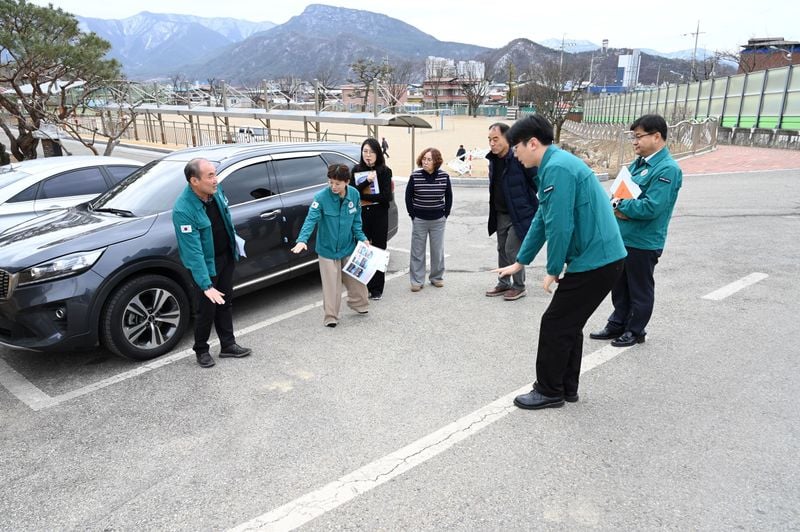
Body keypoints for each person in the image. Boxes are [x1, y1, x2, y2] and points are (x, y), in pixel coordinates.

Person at [495, 115, 626, 410]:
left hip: (596, 261)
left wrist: (553, 270)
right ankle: (566, 387)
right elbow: (543, 218)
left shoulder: (557, 168)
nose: (514, 153)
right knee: (568, 323)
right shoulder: (554, 165)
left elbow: (560, 226)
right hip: (600, 259)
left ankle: (549, 390)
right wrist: (520, 261)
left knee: (555, 322)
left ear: (532, 143)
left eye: (516, 146)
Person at [590, 114, 683, 347]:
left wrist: (621, 206)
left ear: (657, 136)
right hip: (622, 237)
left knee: (639, 288)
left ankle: (636, 329)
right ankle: (618, 322)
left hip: (643, 241)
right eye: (633, 137)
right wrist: (619, 204)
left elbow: (652, 207)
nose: (634, 142)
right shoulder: (636, 165)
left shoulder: (667, 169)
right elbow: (617, 195)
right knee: (619, 285)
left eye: (639, 137)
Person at [172, 158, 251, 368]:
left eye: (215, 174)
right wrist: (206, 284)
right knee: (206, 308)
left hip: (225, 257)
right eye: (210, 176)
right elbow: (193, 252)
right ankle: (201, 350)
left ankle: (228, 345)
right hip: (205, 265)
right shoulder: (183, 209)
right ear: (194, 181)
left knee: (225, 303)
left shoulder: (216, 192)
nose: (215, 180)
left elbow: (226, 218)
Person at [291, 163, 370, 327]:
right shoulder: (320, 197)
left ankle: (359, 305)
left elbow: (356, 220)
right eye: (330, 182)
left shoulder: (354, 195)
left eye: (337, 183)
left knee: (356, 279)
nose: (333, 186)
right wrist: (302, 240)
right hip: (327, 250)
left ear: (347, 182)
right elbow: (310, 220)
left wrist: (362, 238)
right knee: (331, 285)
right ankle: (331, 316)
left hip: (348, 246)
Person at [485, 122, 539, 301]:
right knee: (501, 248)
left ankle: (519, 286)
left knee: (512, 249)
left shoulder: (519, 158)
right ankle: (503, 282)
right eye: (489, 140)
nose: (492, 143)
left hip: (520, 213)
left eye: (495, 139)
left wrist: (532, 205)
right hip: (500, 213)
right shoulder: (493, 161)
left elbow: (537, 181)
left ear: (507, 139)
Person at [405, 147, 452, 292]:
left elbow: (448, 196)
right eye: (424, 159)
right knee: (417, 251)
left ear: (436, 162)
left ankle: (437, 277)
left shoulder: (444, 177)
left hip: (438, 220)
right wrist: (412, 215)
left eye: (429, 159)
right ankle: (417, 281)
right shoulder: (415, 176)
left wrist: (446, 214)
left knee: (437, 250)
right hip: (419, 219)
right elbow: (408, 196)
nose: (425, 162)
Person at [352, 138, 393, 300]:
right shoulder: (356, 169)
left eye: (371, 152)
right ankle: (364, 286)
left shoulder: (385, 171)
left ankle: (377, 288)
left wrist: (364, 195)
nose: (368, 155)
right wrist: (366, 182)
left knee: (379, 250)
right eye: (365, 151)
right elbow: (352, 192)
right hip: (362, 215)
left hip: (379, 215)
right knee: (363, 250)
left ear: (378, 153)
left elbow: (385, 197)